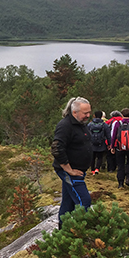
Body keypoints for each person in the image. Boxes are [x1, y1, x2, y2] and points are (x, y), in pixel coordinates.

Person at [51, 96, 93, 229]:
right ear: (74, 112)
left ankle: (62, 232)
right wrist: (68, 169)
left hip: (79, 169)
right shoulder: (65, 125)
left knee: (68, 203)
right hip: (70, 171)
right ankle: (80, 233)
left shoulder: (81, 125)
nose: (88, 115)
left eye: (89, 112)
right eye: (85, 113)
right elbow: (57, 148)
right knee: (84, 201)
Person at [87, 110, 111, 175]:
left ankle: (92, 170)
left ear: (94, 116)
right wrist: (109, 144)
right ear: (101, 116)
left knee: (93, 157)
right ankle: (97, 168)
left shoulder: (90, 124)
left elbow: (86, 134)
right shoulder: (104, 125)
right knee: (100, 157)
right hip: (101, 143)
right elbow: (108, 135)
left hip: (92, 143)